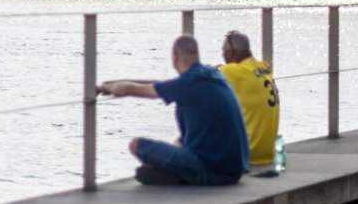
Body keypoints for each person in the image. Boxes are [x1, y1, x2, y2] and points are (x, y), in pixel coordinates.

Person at [97, 34, 248, 186]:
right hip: (235, 169)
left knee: (137, 146)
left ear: (175, 57)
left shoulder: (186, 84)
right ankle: (174, 172)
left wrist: (104, 87)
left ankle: (178, 174)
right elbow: (160, 84)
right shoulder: (211, 74)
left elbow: (127, 89)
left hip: (213, 170)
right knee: (179, 141)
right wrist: (117, 81)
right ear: (197, 54)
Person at [217, 30, 280, 168]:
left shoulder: (232, 71)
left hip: (247, 154)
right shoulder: (264, 67)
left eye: (223, 51)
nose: (222, 55)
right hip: (268, 154)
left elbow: (201, 75)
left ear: (231, 53)